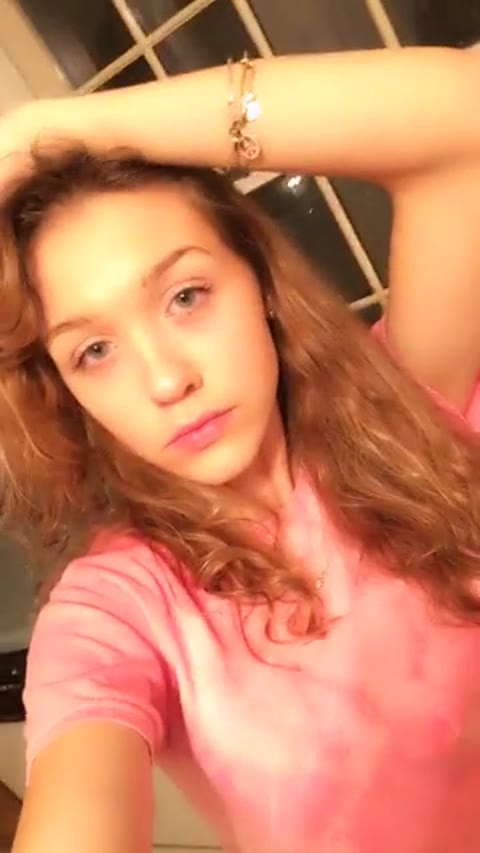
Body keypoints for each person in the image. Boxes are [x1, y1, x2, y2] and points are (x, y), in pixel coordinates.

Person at [1, 47, 480, 853]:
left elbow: (466, 111)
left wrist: (56, 130)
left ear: (259, 282)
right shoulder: (118, 611)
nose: (166, 380)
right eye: (94, 351)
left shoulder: (410, 406)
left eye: (186, 295)